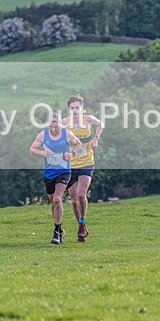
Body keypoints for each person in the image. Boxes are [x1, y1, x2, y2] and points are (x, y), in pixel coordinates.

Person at [30, 113, 81, 245]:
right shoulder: (42, 135)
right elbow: (32, 149)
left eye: (56, 126)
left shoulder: (67, 134)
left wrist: (71, 153)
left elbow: (78, 144)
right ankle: (60, 229)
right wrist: (42, 153)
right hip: (49, 173)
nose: (53, 129)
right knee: (53, 203)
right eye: (51, 126)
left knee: (58, 199)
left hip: (64, 171)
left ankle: (56, 232)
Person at [62, 94, 104, 243]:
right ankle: (81, 226)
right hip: (70, 165)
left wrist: (95, 139)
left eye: (77, 108)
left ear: (82, 108)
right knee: (73, 200)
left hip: (86, 162)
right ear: (68, 109)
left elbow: (101, 124)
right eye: (72, 108)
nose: (75, 111)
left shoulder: (89, 119)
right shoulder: (64, 124)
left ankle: (83, 222)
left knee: (81, 194)